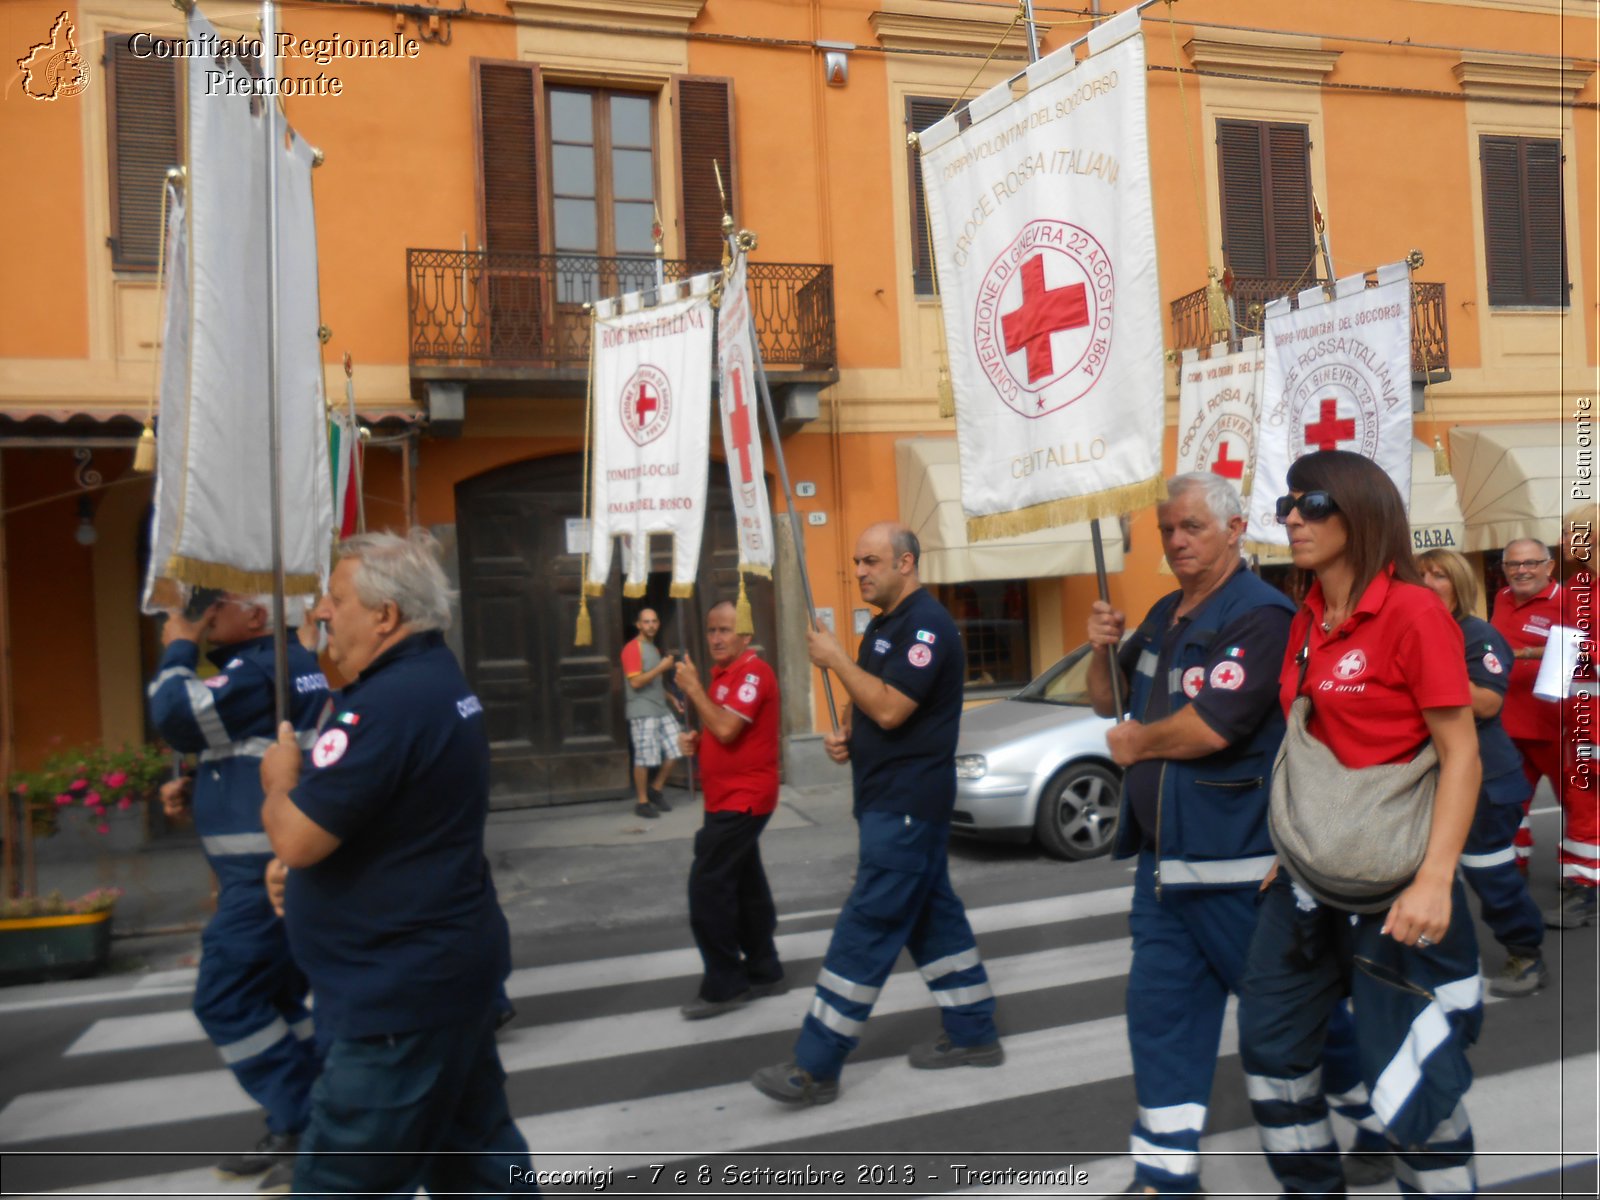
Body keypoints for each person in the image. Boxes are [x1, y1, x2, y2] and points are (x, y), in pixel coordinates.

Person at [259, 530, 532, 1196]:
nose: (323, 611)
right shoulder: (432, 681)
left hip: (396, 1000)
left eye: (337, 597)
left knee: (343, 1184)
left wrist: (278, 781)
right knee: (479, 1170)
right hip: (441, 977)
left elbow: (296, 837)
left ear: (385, 616)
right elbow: (397, 822)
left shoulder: (386, 705)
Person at [1239, 450, 1483, 1196]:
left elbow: (1460, 753)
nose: (1290, 519)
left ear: (1361, 510)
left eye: (1311, 504)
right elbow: (1312, 747)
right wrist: (1297, 845)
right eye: (1287, 504)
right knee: (1271, 1056)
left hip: (1398, 887)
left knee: (1412, 1088)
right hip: (1308, 884)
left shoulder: (1412, 611)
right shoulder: (1307, 614)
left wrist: (1436, 880)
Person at [1085, 473, 1297, 1195]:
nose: (1175, 541)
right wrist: (1097, 648)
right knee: (1162, 1022)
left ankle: (1360, 1118)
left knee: (1287, 1022)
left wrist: (1138, 745)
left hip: (1236, 867)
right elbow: (1103, 701)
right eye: (1167, 529)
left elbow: (1215, 725)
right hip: (1163, 867)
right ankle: (1164, 1176)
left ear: (1236, 530)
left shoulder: (1261, 613)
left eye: (1192, 528)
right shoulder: (1165, 611)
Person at [751, 522, 1000, 1107]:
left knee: (865, 930)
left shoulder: (928, 627)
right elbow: (873, 703)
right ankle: (974, 1031)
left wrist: (837, 658)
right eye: (856, 561)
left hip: (907, 806)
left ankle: (815, 1066)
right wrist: (845, 735)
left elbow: (891, 709)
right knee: (933, 920)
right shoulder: (887, 626)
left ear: (906, 563)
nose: (859, 570)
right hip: (891, 801)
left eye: (871, 561)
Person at [146, 592, 326, 1187]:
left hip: (263, 879)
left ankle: (303, 1121)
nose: (204, 612)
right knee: (275, 1003)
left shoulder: (262, 668)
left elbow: (175, 712)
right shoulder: (268, 671)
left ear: (255, 616)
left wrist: (179, 640)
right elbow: (251, 751)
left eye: (213, 603)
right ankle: (312, 1118)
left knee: (223, 998)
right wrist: (199, 783)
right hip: (266, 874)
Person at [1418, 548, 1547, 994]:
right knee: (1429, 874)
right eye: (1421, 575)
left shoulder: (1478, 635)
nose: (1429, 583)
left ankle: (1525, 954)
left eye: (1439, 575)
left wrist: (1427, 671)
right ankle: (1442, 958)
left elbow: (1488, 702)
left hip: (1486, 785)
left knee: (1490, 874)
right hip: (1433, 781)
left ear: (1460, 584)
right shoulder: (1413, 632)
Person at [672, 600, 786, 1019]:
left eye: (725, 630)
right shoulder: (722, 676)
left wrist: (694, 691)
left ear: (745, 635)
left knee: (708, 887)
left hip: (745, 798)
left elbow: (726, 726)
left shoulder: (753, 672)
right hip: (724, 797)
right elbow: (717, 731)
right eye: (711, 630)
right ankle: (764, 967)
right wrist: (697, 743)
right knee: (744, 883)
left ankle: (725, 982)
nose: (716, 638)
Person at [1490, 536, 1562, 874]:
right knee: (1509, 804)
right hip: (1509, 725)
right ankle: (1514, 864)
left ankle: (1580, 876)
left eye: (1530, 563)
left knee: (1579, 806)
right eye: (1513, 564)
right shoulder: (1501, 598)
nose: (1522, 571)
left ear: (1549, 566)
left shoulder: (1569, 602)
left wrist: (1528, 653)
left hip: (1556, 727)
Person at [1549, 505, 1599, 927]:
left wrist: (1580, 649)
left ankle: (1587, 886)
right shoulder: (1576, 588)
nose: (1562, 541)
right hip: (1582, 718)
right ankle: (1584, 883)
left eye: (1569, 533)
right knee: (1582, 801)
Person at [622, 607, 682, 819]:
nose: (651, 625)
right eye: (646, 622)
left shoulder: (653, 649)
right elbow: (636, 682)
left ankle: (655, 789)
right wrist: (662, 668)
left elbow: (654, 682)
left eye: (654, 621)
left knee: (678, 747)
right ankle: (642, 802)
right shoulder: (632, 648)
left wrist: (671, 697)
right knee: (645, 757)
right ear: (638, 625)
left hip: (660, 707)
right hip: (642, 709)